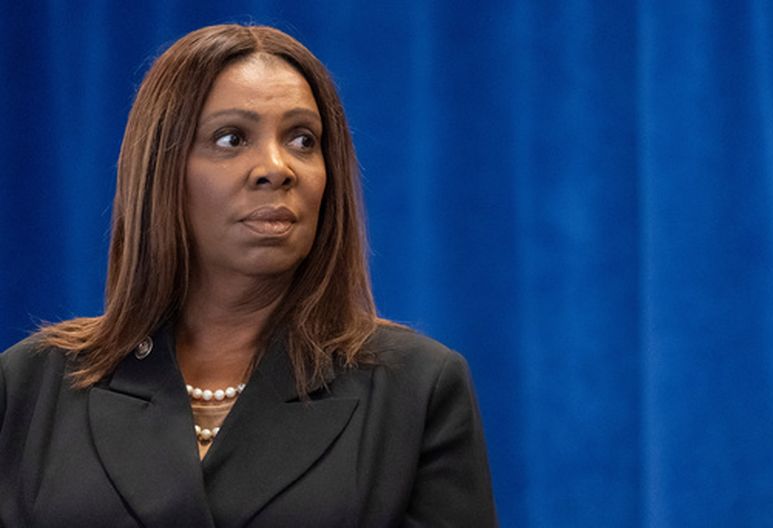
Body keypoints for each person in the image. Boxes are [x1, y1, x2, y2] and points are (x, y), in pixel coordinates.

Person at [0, 24, 497, 527]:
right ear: (159, 170)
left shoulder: (416, 389)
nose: (277, 167)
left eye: (303, 140)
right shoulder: (30, 387)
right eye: (231, 138)